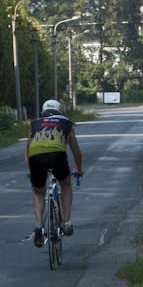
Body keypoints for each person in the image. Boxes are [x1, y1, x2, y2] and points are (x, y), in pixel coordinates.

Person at [26, 99, 83, 247]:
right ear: (59, 111)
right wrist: (78, 168)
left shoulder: (35, 124)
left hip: (35, 157)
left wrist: (32, 170)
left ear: (42, 112)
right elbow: (76, 151)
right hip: (57, 155)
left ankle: (39, 226)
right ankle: (66, 223)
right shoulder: (66, 123)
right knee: (66, 184)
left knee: (39, 192)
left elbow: (27, 152)